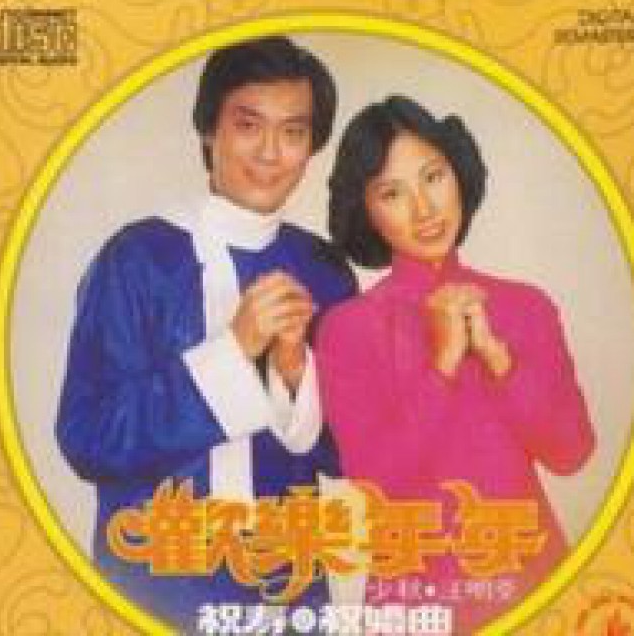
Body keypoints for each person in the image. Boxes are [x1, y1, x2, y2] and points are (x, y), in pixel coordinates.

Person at [56, 36, 355, 632]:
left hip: (288, 588)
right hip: (156, 583)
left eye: (293, 132)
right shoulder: (137, 258)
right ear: (208, 130)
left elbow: (351, 454)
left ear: (311, 148)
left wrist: (295, 374)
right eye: (248, 125)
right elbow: (88, 439)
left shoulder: (323, 269)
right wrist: (234, 351)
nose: (270, 153)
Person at [315, 95, 595, 633]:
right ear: (366, 211)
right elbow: (375, 482)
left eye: (433, 176)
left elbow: (572, 452)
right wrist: (441, 367)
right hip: (415, 600)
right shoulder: (348, 328)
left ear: (458, 174)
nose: (424, 209)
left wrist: (498, 358)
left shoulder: (525, 305)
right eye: (392, 193)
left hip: (532, 583)